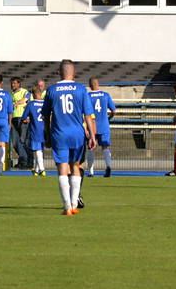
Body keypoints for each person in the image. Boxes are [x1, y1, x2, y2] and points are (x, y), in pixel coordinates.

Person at [42, 60, 96, 215]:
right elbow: (88, 115)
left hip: (59, 134)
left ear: (59, 72)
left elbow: (46, 116)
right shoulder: (80, 89)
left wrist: (47, 134)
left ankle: (66, 207)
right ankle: (73, 204)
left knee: (62, 170)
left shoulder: (52, 90)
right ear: (74, 73)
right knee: (76, 167)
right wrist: (92, 136)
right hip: (78, 134)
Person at [86, 77, 117, 178]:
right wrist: (109, 118)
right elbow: (114, 111)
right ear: (98, 84)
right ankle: (108, 167)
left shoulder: (87, 96)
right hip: (104, 125)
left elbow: (85, 113)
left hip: (92, 126)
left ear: (90, 86)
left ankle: (91, 172)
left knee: (91, 147)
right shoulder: (106, 95)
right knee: (105, 147)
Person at [21, 80, 46, 176]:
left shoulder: (30, 104)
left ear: (33, 94)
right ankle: (36, 171)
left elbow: (24, 118)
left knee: (37, 150)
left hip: (35, 130)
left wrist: (28, 119)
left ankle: (42, 170)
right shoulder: (45, 103)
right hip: (44, 129)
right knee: (39, 150)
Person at [10, 77, 32, 169]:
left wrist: (17, 103)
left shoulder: (24, 91)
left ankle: (27, 162)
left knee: (23, 141)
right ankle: (23, 160)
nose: (13, 85)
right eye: (12, 83)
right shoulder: (11, 94)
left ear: (19, 84)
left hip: (22, 119)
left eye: (14, 83)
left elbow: (26, 99)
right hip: (13, 119)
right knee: (15, 142)